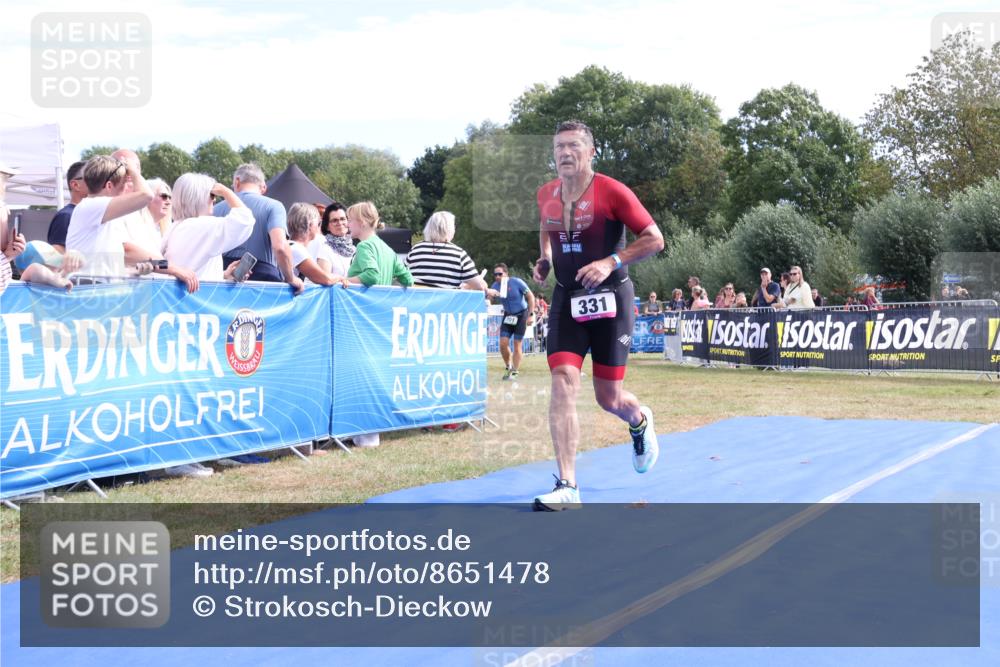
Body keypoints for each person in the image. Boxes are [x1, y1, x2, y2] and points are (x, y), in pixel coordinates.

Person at [531, 119, 664, 511]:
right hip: (567, 298)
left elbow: (655, 238)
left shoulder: (613, 191)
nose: (564, 153)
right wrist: (546, 258)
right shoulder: (546, 194)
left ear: (591, 152)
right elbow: (545, 226)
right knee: (563, 379)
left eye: (573, 146)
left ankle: (638, 420)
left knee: (609, 398)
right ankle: (568, 485)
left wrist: (611, 261)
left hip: (611, 300)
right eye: (558, 147)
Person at [65, 155, 197, 291]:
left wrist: (136, 271)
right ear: (109, 186)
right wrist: (133, 171)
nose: (128, 189)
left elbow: (122, 257)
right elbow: (147, 196)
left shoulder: (102, 215)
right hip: (89, 290)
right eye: (123, 185)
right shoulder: (92, 206)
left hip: (96, 290)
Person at [214, 163, 302, 293]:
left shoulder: (215, 209)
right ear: (264, 187)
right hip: (265, 283)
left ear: (237, 182)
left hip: (223, 283)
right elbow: (280, 247)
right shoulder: (274, 206)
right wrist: (291, 278)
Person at [160, 173, 254, 281]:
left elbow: (189, 268)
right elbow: (245, 220)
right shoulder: (200, 225)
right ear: (198, 197)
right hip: (196, 296)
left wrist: (222, 275)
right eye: (212, 195)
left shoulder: (175, 227)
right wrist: (226, 192)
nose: (214, 200)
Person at [406, 211, 487, 290]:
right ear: (450, 230)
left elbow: (402, 276)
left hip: (417, 302)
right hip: (446, 303)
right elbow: (480, 287)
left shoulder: (415, 250)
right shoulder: (459, 254)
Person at [343, 201, 413, 288]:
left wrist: (344, 280)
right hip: (383, 301)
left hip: (362, 301)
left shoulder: (364, 246)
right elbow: (408, 280)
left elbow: (372, 276)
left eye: (349, 220)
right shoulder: (388, 250)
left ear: (362, 222)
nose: (347, 224)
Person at [487, 263, 535, 380]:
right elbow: (490, 298)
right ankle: (508, 367)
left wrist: (531, 314)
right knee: (503, 343)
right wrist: (488, 299)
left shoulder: (516, 282)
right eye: (495, 275)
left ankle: (515, 371)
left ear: (506, 274)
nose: (497, 276)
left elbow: (530, 297)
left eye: (500, 274)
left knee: (517, 344)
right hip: (508, 315)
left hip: (521, 314)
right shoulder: (495, 285)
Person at [286, 202, 340, 285]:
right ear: (310, 225)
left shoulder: (289, 245)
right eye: (319, 224)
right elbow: (325, 279)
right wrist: (341, 278)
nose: (320, 228)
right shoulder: (296, 249)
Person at [46, 160, 87, 253]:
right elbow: (56, 256)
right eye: (91, 177)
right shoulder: (66, 216)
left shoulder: (94, 215)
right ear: (76, 185)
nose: (99, 182)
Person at [319, 202, 354, 277]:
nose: (340, 223)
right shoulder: (324, 249)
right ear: (327, 226)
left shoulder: (355, 250)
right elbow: (324, 280)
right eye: (334, 220)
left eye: (343, 219)